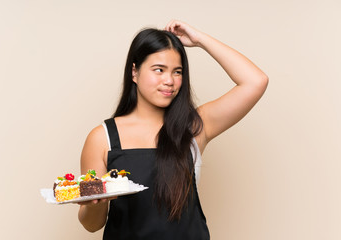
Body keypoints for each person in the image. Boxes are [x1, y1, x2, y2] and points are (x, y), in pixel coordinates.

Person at [78, 20, 268, 239]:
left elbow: (256, 81)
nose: (169, 80)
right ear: (134, 72)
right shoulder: (102, 138)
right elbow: (92, 224)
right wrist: (94, 204)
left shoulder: (195, 127)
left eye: (177, 72)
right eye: (159, 70)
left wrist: (200, 40)